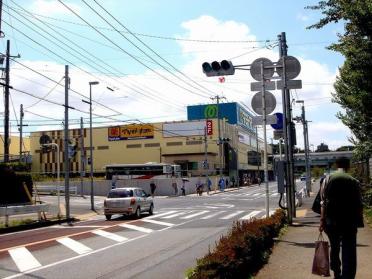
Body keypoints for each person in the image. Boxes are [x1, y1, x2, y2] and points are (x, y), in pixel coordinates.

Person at [319, 158, 364, 279]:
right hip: (350, 221)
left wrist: (322, 220)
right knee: (349, 249)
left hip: (331, 220)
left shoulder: (327, 179)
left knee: (334, 247)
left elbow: (323, 202)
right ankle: (347, 275)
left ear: (335, 165)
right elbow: (359, 203)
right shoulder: (354, 181)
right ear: (349, 166)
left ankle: (336, 272)